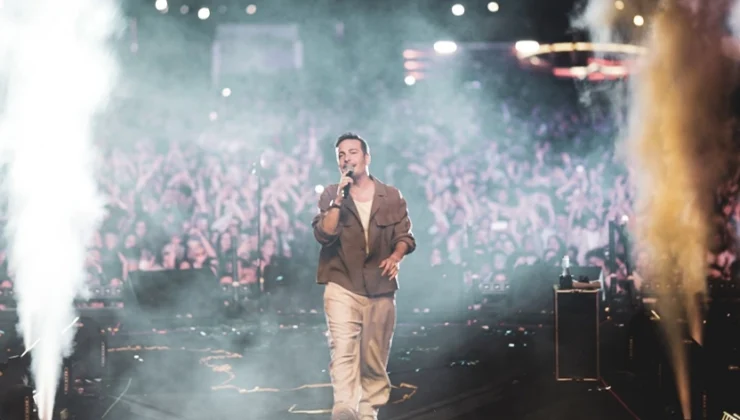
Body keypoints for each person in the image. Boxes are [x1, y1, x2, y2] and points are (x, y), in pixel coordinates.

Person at [312, 133, 416, 420]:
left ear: (366, 158)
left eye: (353, 152)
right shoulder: (331, 194)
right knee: (343, 349)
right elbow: (324, 234)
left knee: (374, 358)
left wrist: (395, 257)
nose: (347, 158)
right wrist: (338, 200)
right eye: (341, 155)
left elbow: (405, 236)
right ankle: (344, 408)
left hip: (380, 287)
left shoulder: (390, 195)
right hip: (342, 283)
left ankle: (368, 412)